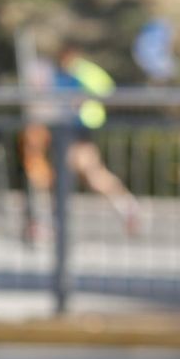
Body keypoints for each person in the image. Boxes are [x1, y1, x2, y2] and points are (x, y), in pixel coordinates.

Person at [53, 44, 141, 234]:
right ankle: (127, 206)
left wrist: (84, 100)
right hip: (73, 127)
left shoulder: (83, 71)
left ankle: (58, 224)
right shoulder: (67, 72)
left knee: (82, 173)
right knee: (88, 174)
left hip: (81, 127)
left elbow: (106, 90)